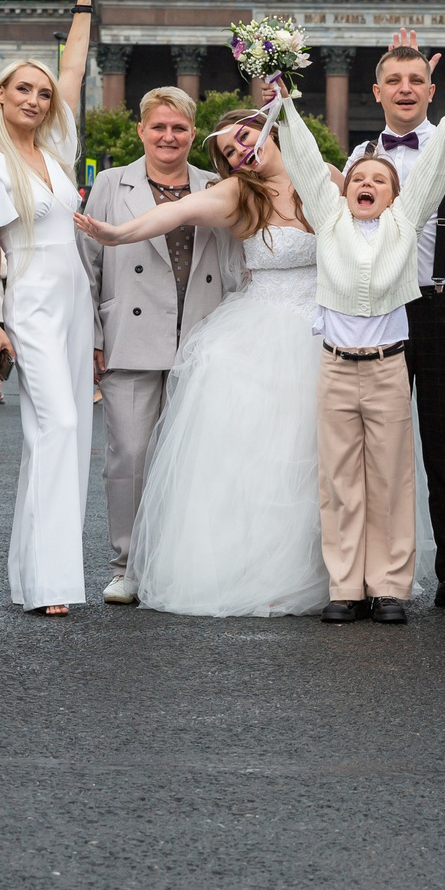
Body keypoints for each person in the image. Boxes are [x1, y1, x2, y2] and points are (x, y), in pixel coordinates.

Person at [70, 102, 326, 617]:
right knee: (154, 456)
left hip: (316, 332)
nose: (240, 153)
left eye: (245, 140)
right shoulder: (233, 190)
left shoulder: (320, 180)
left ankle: (310, 566)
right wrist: (118, 234)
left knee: (306, 458)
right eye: (231, 151)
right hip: (247, 332)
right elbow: (175, 214)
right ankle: (134, 565)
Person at [277, 74, 445, 623]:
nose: (367, 184)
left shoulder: (403, 224)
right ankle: (346, 588)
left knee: (392, 481)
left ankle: (390, 588)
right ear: (344, 189)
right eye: (358, 178)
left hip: (388, 369)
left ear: (396, 196)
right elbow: (303, 162)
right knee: (340, 483)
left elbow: (435, 172)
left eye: (380, 180)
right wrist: (283, 108)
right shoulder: (328, 222)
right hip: (336, 371)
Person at [0, 0, 99, 615]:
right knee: (57, 424)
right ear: (0, 96)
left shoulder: (57, 150)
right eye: (23, 90)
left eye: (41, 93)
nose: (36, 99)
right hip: (33, 305)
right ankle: (45, 581)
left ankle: (44, 575)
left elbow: (70, 71)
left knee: (71, 431)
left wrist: (83, 6)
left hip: (74, 302)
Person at [347, 34, 445, 614]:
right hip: (380, 312)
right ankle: (372, 575)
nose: (406, 90)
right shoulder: (361, 154)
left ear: (431, 91)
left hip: (443, 307)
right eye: (395, 81)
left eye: (416, 82)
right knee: (377, 451)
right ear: (378, 91)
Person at [78, 86, 231, 605]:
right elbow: (88, 267)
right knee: (130, 457)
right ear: (140, 131)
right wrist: (95, 338)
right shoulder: (109, 184)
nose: (169, 136)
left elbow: (235, 267)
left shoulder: (218, 184)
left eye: (180, 128)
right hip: (132, 338)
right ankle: (126, 565)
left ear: (194, 132)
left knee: (194, 460)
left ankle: (181, 563)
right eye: (159, 127)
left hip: (201, 336)